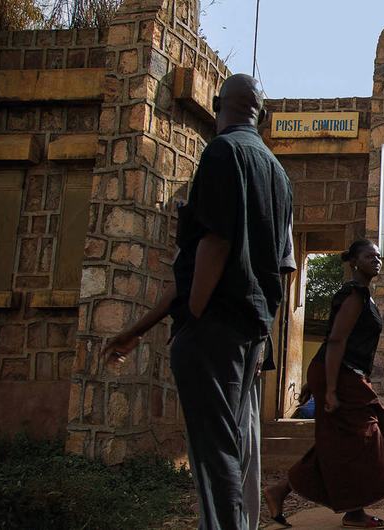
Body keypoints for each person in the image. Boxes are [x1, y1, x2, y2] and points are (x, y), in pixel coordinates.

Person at [104, 73, 294, 530]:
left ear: (215, 105)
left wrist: (193, 316)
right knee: (232, 448)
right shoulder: (278, 172)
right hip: (251, 332)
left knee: (215, 458)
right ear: (262, 114)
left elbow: (214, 245)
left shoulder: (222, 153)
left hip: (214, 331)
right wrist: (137, 330)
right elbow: (272, 267)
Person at [264, 239, 384, 529]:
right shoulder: (354, 295)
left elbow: (331, 339)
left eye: (378, 256)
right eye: (369, 256)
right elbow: (337, 340)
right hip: (341, 375)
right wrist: (326, 389)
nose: (376, 260)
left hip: (341, 372)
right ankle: (354, 511)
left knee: (339, 441)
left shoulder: (364, 295)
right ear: (354, 262)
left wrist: (313, 380)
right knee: (364, 437)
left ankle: (282, 491)